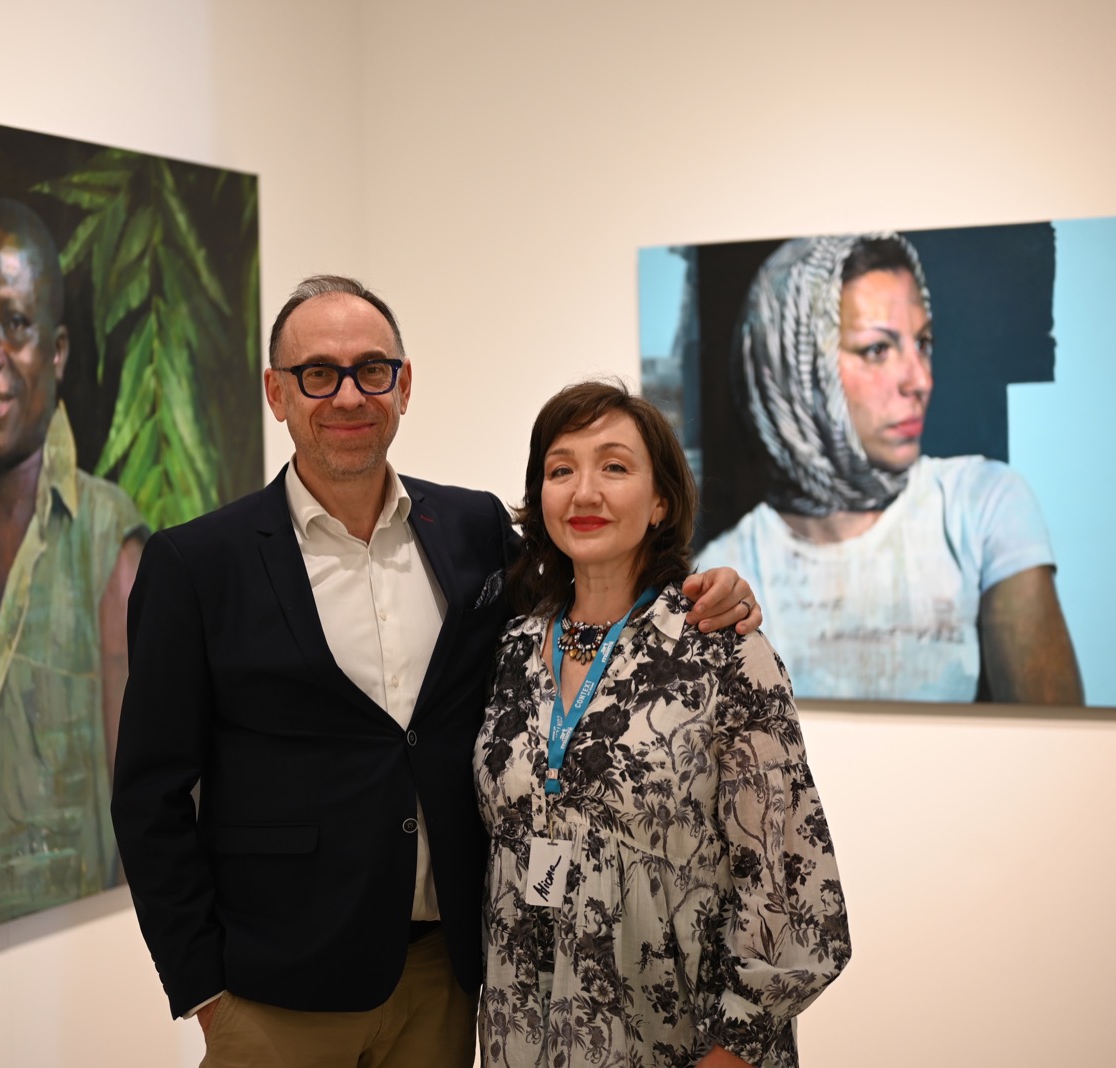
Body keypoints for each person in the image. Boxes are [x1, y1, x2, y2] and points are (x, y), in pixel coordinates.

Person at [110, 275, 760, 1068]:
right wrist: (203, 988)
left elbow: (590, 596)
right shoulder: (195, 564)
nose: (348, 395)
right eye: (318, 373)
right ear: (277, 394)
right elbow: (150, 797)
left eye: (371, 369)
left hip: (447, 982)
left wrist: (702, 587)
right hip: (274, 994)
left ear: (404, 385)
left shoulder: (471, 529)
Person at [476, 380, 847, 1068]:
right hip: (525, 1035)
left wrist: (730, 1052)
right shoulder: (514, 647)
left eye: (614, 466)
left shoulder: (723, 648)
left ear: (661, 501)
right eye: (561, 470)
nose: (585, 492)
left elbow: (794, 887)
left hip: (681, 1044)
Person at [696, 233, 1084, 704]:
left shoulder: (981, 502)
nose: (920, 380)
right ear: (796, 365)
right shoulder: (727, 565)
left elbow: (1052, 732)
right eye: (877, 350)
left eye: (923, 343)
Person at [0, 198, 148, 938]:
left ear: (57, 353)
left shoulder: (109, 544)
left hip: (79, 983)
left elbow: (148, 823)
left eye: (14, 324)